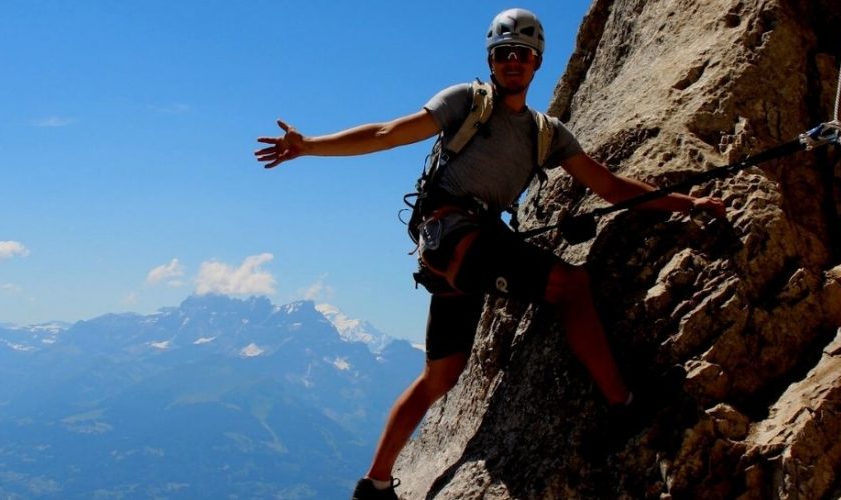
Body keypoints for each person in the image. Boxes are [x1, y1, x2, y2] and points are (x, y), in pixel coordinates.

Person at [255, 8, 726, 500]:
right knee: (570, 285)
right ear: (491, 59)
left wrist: (685, 201)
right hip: (459, 234)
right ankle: (623, 404)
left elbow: (608, 186)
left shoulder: (548, 134)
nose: (512, 62)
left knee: (441, 374)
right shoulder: (466, 102)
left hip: (458, 252)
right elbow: (387, 134)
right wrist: (309, 146)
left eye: (522, 54)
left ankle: (373, 484)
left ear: (537, 61)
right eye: (503, 54)